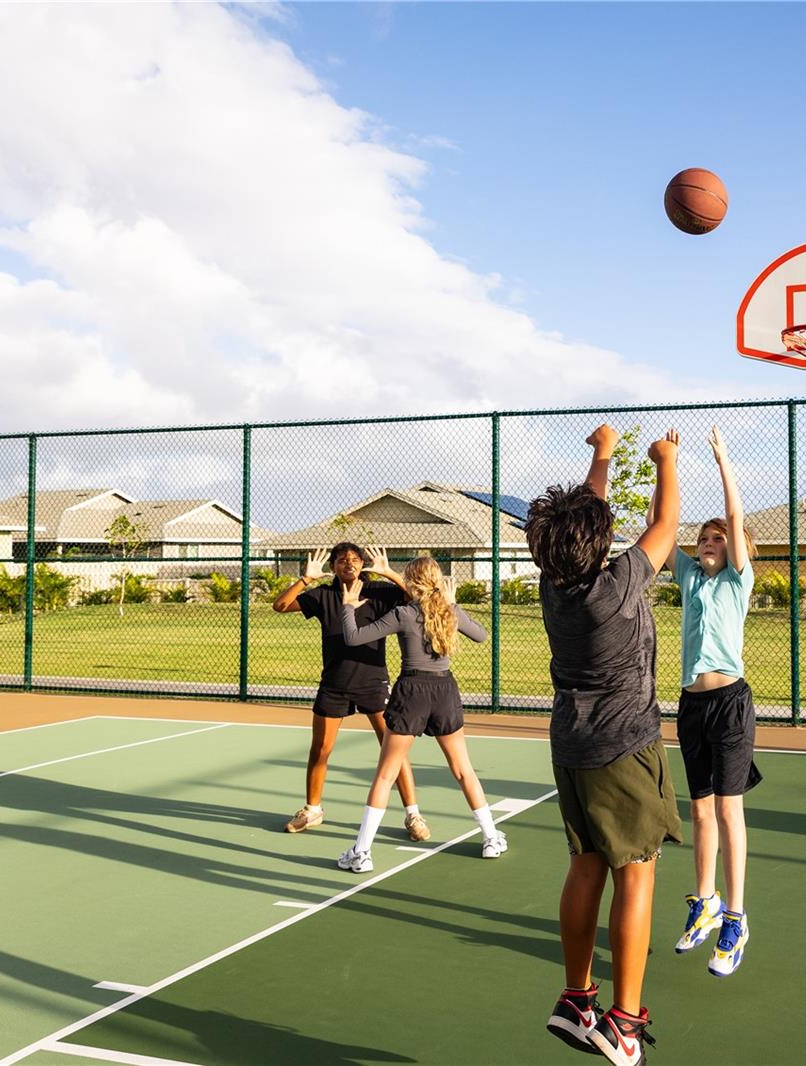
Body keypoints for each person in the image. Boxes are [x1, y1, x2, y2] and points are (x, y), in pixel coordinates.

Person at [529, 424, 681, 1065]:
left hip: (572, 747)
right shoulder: (613, 587)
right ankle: (622, 1021)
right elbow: (667, 526)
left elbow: (587, 515)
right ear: (597, 543)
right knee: (637, 874)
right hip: (624, 747)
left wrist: (603, 455)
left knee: (586, 863)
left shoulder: (555, 584)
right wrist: (667, 461)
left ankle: (575, 998)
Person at [332, 555, 505, 873]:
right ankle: (491, 837)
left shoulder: (403, 613)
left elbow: (354, 637)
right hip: (444, 691)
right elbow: (481, 635)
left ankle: (361, 853)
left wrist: (348, 607)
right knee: (463, 770)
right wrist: (454, 606)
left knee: (385, 775)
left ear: (411, 584)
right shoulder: (448, 611)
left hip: (412, 692)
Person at [665, 427, 759, 977]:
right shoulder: (689, 580)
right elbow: (662, 530)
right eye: (705, 537)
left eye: (718, 538)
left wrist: (723, 458)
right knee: (699, 809)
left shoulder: (736, 582)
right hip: (692, 707)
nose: (709, 541)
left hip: (730, 704)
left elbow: (735, 517)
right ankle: (705, 903)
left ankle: (737, 917)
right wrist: (668, 466)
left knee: (729, 808)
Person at [272, 543, 426, 841]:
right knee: (321, 750)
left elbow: (417, 598)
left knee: (393, 751)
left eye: (355, 560)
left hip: (373, 683)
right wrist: (306, 579)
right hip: (334, 684)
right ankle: (312, 809)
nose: (350, 564)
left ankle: (413, 814)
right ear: (333, 567)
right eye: (342, 560)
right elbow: (280, 606)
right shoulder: (323, 595)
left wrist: (390, 573)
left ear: (363, 565)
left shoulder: (379, 592)